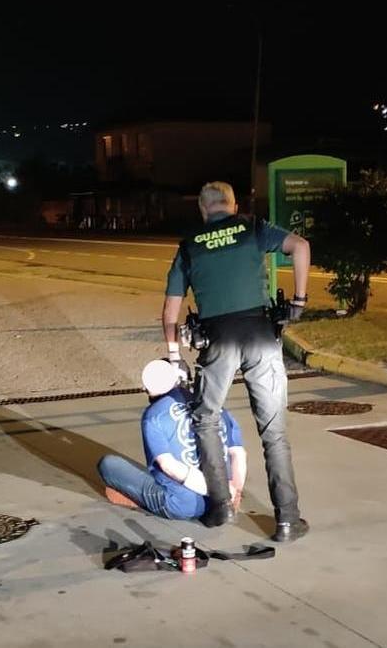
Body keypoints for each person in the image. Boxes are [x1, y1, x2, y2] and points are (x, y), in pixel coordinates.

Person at [161, 181, 310, 542]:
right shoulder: (253, 228)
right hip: (261, 336)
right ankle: (287, 520)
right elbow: (301, 246)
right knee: (273, 431)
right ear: (233, 205)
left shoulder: (190, 245)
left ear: (202, 209)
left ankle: (220, 507)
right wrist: (299, 300)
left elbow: (170, 311)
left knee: (206, 419)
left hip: (218, 340)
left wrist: (174, 355)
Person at [97, 360, 248, 520]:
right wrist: (231, 492)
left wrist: (214, 491)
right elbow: (239, 454)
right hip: (223, 496)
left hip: (184, 505)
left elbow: (169, 466)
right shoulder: (216, 407)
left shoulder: (153, 415)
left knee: (108, 464)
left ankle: (142, 499)